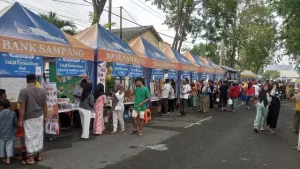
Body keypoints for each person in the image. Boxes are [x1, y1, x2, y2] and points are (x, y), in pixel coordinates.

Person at [17, 74, 47, 165]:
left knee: (30, 137)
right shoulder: (42, 91)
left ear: (27, 82)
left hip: (29, 118)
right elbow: (45, 105)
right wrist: (45, 116)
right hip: (39, 116)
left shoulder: (23, 91)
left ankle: (31, 158)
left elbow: (22, 106)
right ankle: (39, 155)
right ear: (35, 81)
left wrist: (20, 120)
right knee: (39, 136)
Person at [0, 99, 17, 165]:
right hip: (10, 132)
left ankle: (3, 158)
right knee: (9, 145)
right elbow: (15, 123)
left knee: (1, 146)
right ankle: (8, 159)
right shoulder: (12, 113)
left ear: (1, 106)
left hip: (1, 133)